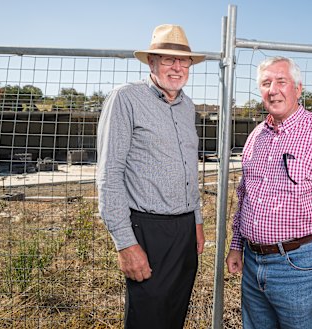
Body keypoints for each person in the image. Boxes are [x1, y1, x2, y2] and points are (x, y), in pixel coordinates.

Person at [225, 56, 312, 329]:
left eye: (281, 81)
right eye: (265, 83)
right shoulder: (256, 136)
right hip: (253, 265)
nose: (273, 89)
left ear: (298, 88)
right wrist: (237, 245)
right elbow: (245, 197)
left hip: (300, 268)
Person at [96, 24, 206, 328]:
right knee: (147, 319)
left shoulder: (188, 107)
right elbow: (109, 175)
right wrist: (125, 243)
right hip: (147, 229)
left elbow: (189, 170)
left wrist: (195, 222)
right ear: (151, 62)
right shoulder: (125, 99)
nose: (177, 67)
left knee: (174, 315)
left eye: (183, 61)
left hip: (184, 231)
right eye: (168, 59)